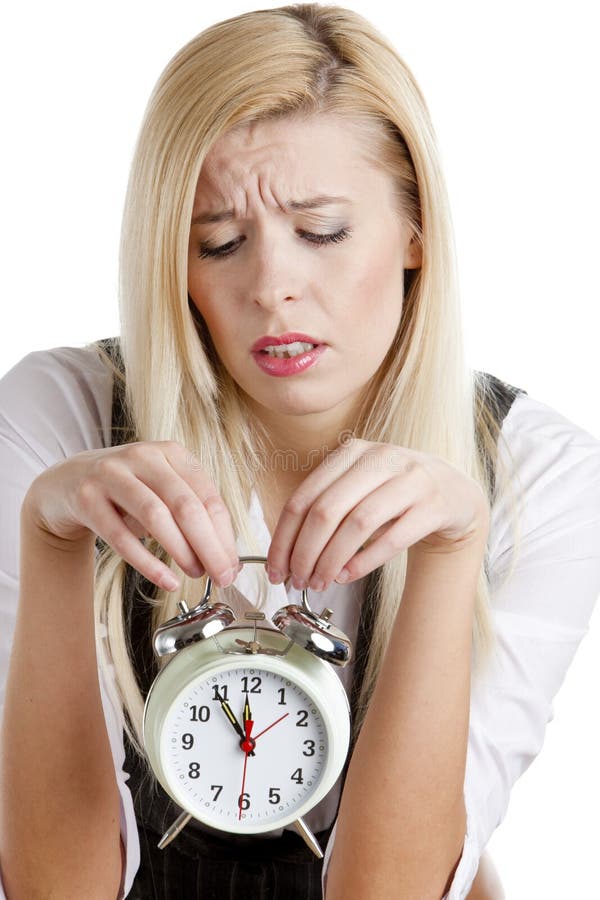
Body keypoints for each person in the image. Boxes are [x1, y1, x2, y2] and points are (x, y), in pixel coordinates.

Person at [1, 3, 599, 898]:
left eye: (321, 231)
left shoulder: (535, 474)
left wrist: (449, 550)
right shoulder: (63, 419)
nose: (273, 287)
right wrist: (50, 546)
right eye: (220, 243)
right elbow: (54, 890)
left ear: (415, 233)